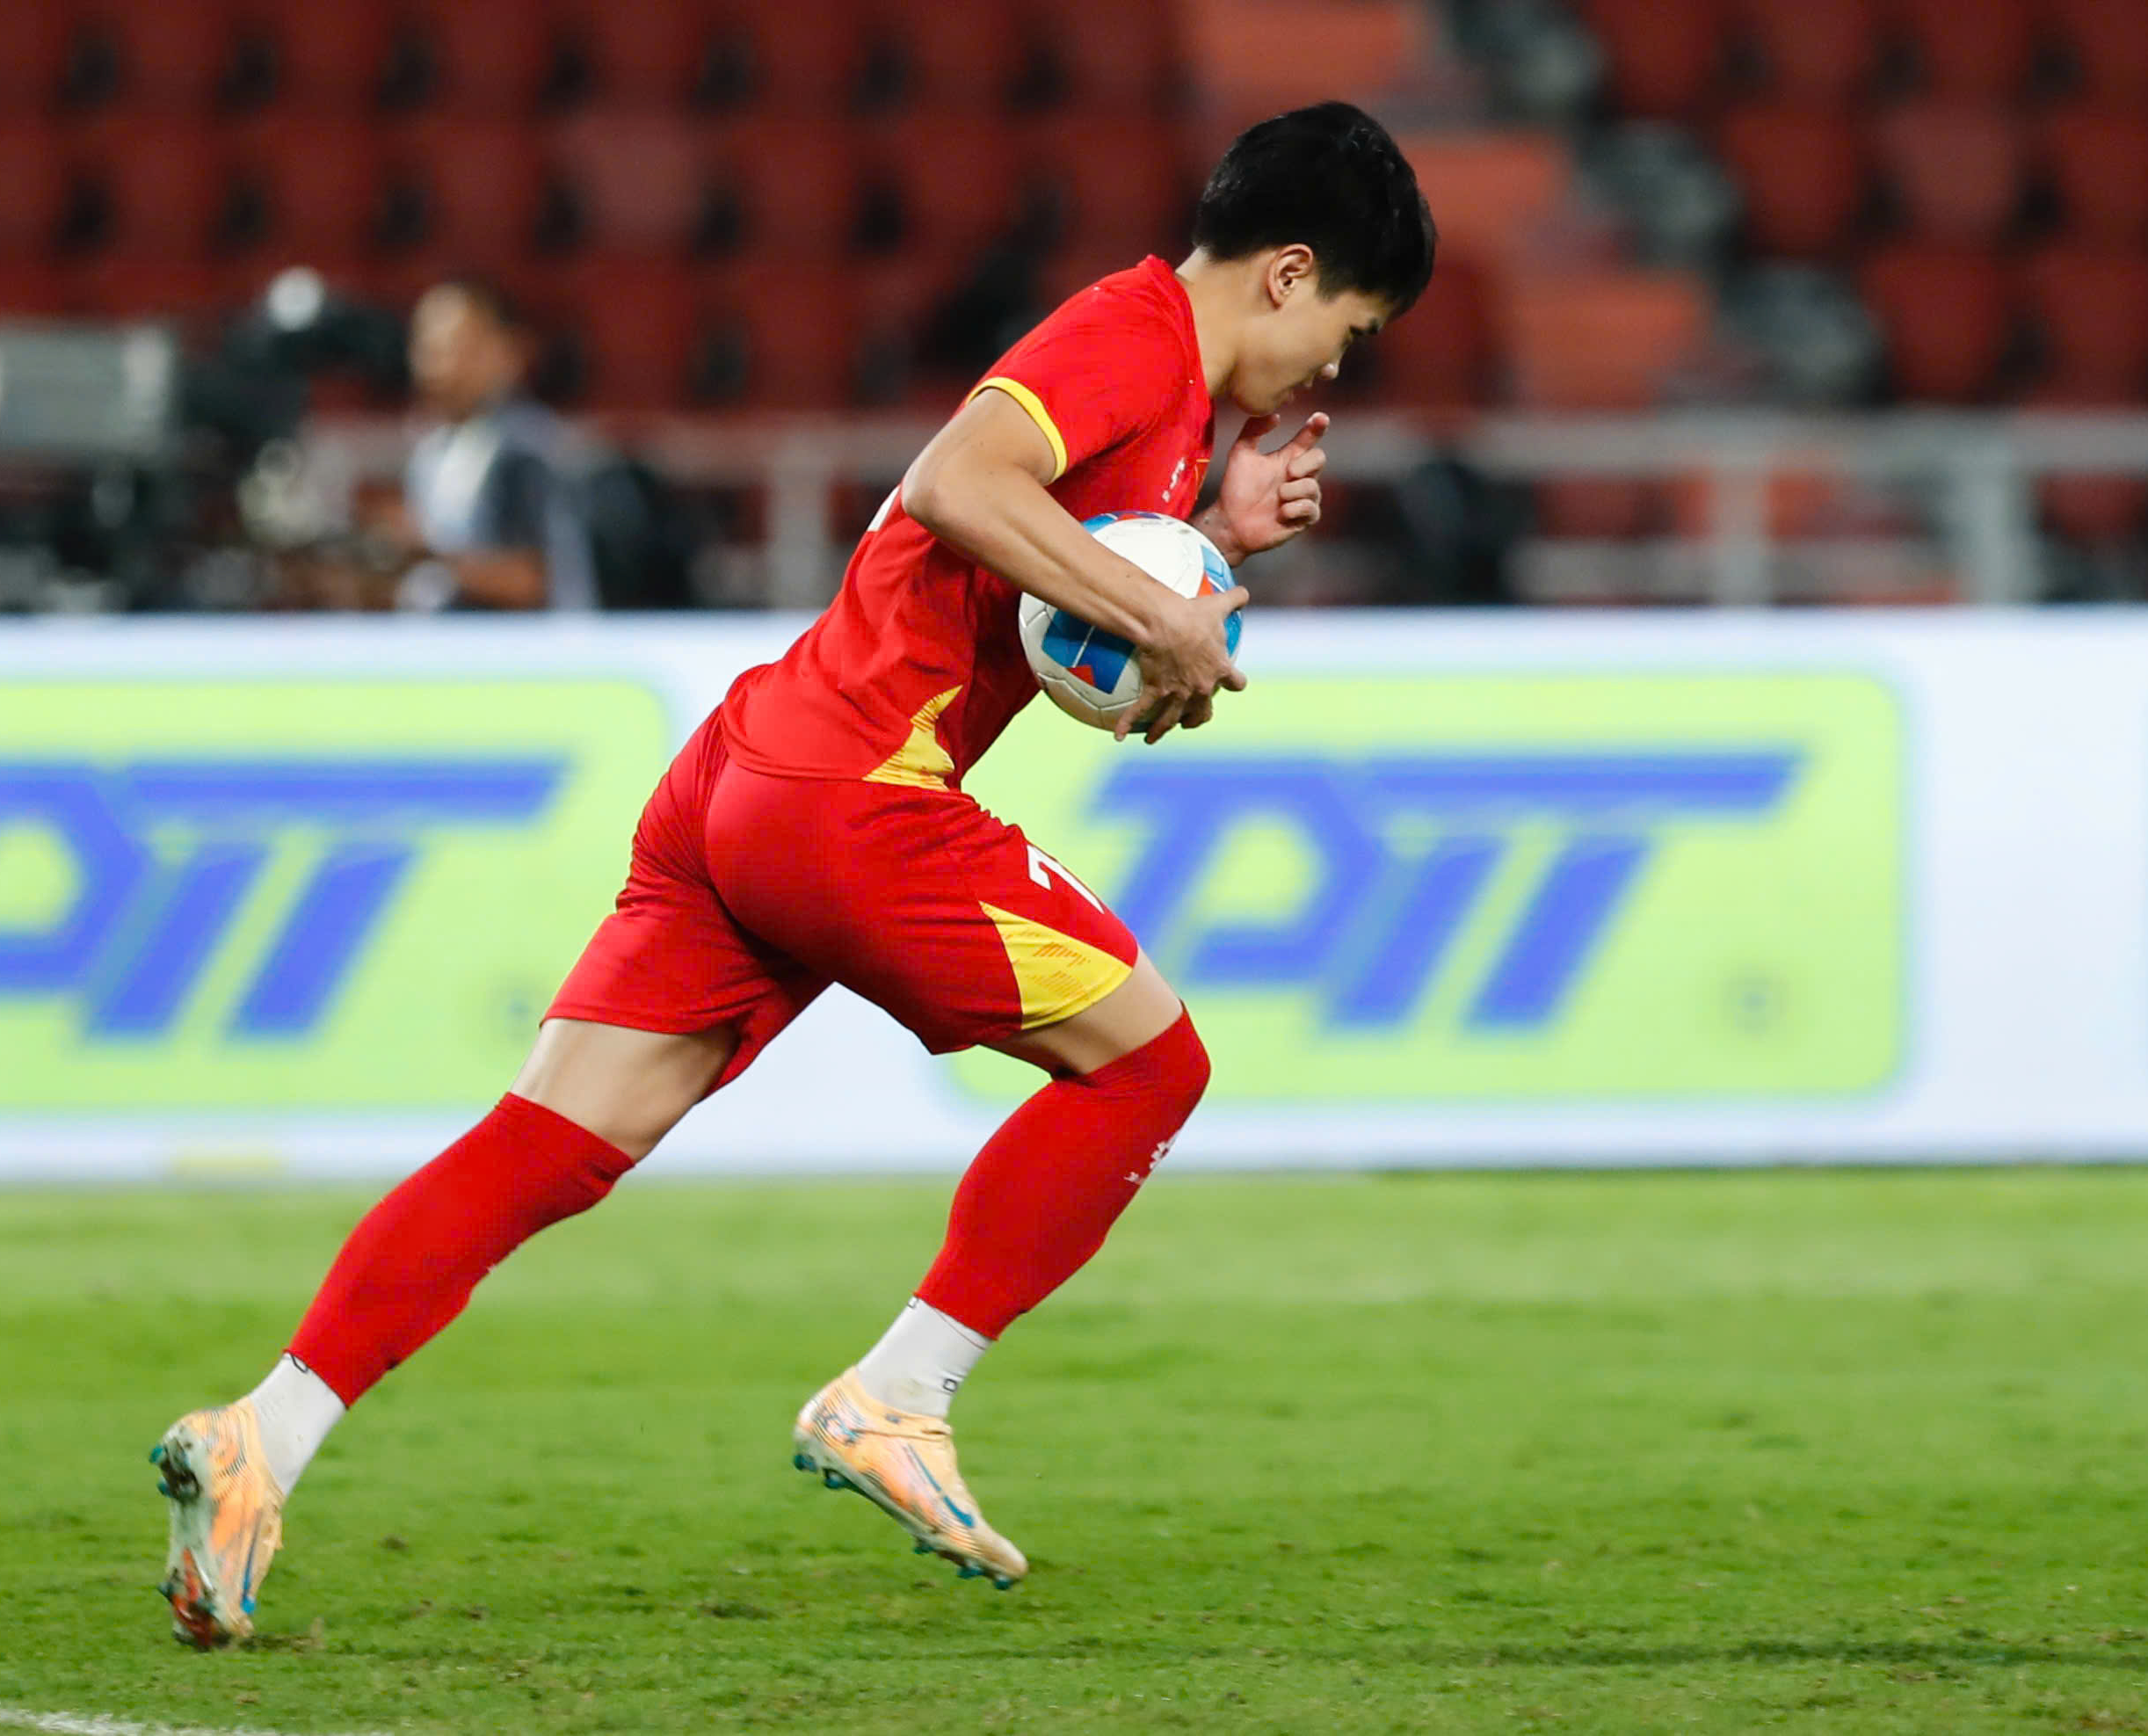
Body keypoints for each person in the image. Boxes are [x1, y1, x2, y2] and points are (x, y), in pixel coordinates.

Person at [148, 100, 1435, 1646]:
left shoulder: (1165, 411)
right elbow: (959, 482)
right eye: (1351, 329)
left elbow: (1045, 607)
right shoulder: (1135, 336)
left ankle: (262, 1435)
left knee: (548, 1140)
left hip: (751, 772)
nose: (1335, 369)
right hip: (853, 795)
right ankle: (899, 1393)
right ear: (1288, 273)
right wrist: (1167, 614)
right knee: (1150, 1067)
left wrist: (1205, 542)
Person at [371, 277, 598, 613]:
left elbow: (533, 581)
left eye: (458, 348)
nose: (437, 366)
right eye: (427, 347)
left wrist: (425, 555)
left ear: (509, 351)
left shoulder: (524, 446)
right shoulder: (433, 449)